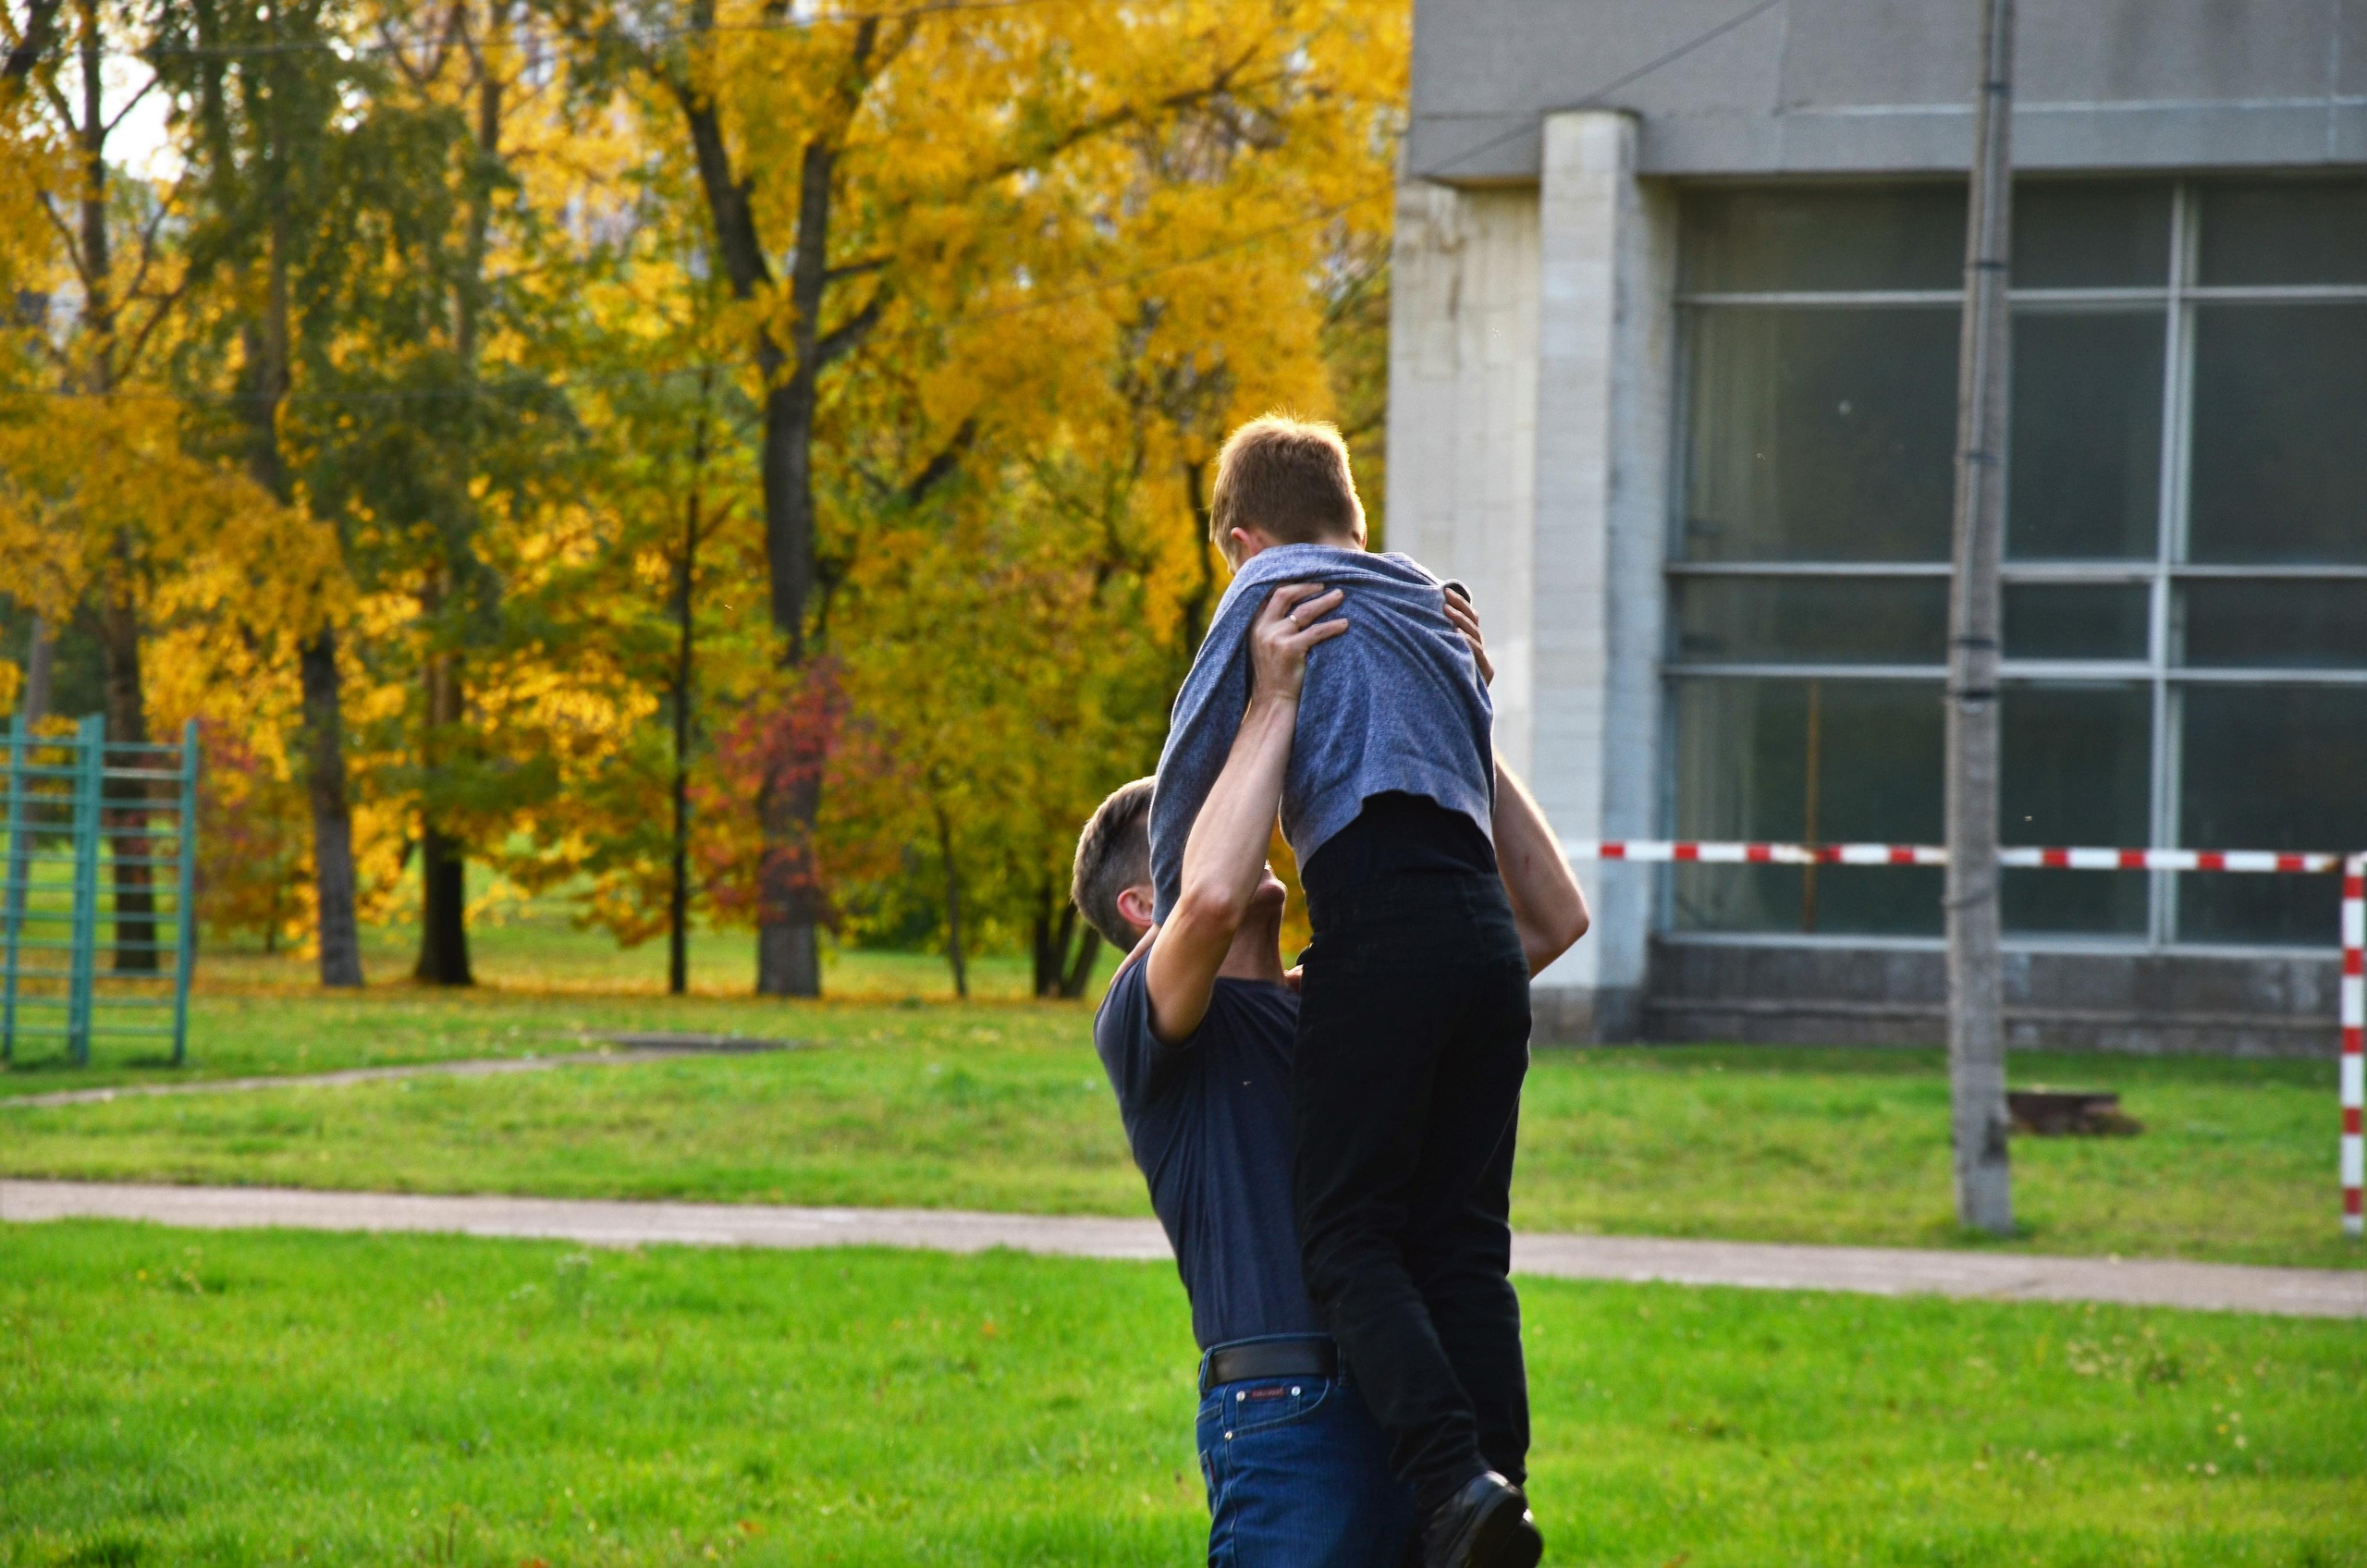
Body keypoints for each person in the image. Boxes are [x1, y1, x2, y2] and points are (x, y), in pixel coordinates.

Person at [1074, 579, 1588, 1568]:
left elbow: (1552, 919)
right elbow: (1215, 895)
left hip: (1413, 1403)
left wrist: (1455, 715)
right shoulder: (1147, 1016)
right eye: (1212, 812)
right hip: (1289, 1418)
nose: (1255, 818)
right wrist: (1268, 700)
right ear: (1143, 907)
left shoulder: (1347, 1004)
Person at [1143, 416, 1544, 1566]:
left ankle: (1447, 1484)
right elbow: (1472, 772)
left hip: (1381, 917)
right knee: (1464, 1240)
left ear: (1236, 536)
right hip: (1482, 934)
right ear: (1356, 518)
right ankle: (1502, 1484)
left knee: (1350, 1234)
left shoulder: (1271, 587)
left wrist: (1172, 911)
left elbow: (1189, 766)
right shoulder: (1426, 598)